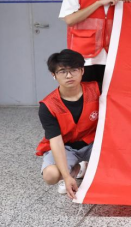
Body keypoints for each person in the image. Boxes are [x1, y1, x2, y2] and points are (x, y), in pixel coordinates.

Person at [59, 0, 127, 90]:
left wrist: (129, 2)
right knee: (87, 94)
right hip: (84, 55)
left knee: (112, 94)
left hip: (114, 53)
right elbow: (70, 20)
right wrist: (98, 3)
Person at [36, 49, 100, 199]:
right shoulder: (48, 105)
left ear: (82, 71)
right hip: (66, 147)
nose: (69, 75)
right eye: (63, 71)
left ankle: (88, 165)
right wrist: (66, 176)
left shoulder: (97, 90)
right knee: (50, 176)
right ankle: (75, 169)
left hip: (93, 143)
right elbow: (56, 141)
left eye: (74, 70)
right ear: (54, 75)